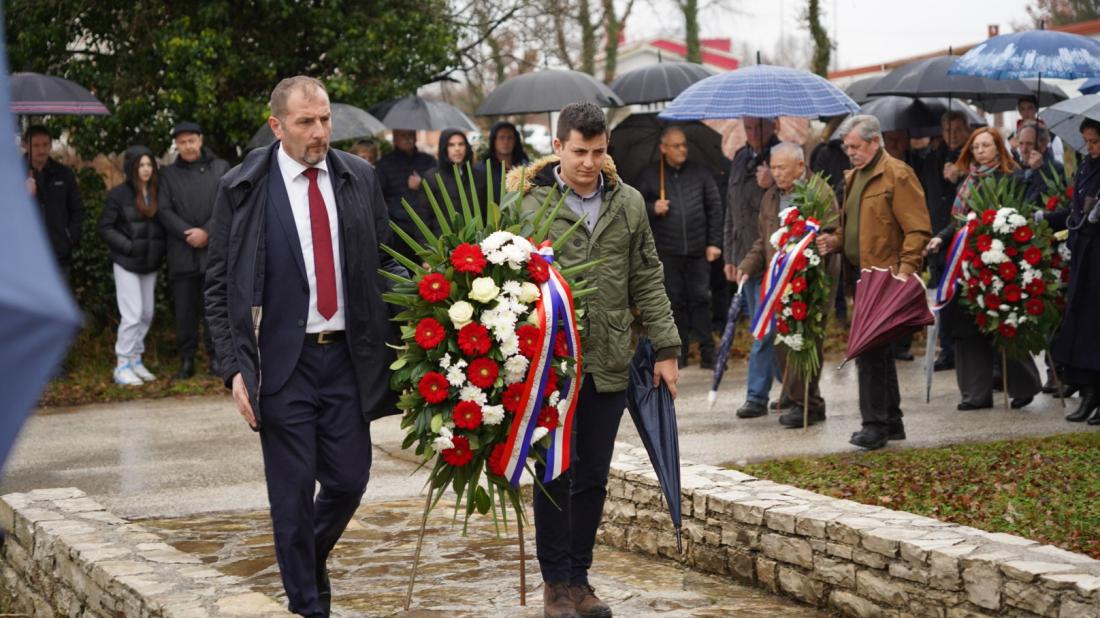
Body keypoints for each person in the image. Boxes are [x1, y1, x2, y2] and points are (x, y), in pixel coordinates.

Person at [205, 76, 406, 618]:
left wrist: (435, 295)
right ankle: (307, 605)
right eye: (305, 122)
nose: (319, 132)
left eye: (324, 120)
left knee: (348, 481)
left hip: (346, 358)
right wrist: (233, 370)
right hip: (279, 365)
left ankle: (302, 563)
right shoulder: (242, 187)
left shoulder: (358, 176)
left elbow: (384, 258)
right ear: (277, 126)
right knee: (291, 497)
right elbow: (218, 284)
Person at [508, 101, 680, 618]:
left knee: (593, 477)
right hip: (550, 366)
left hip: (608, 360)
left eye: (598, 151)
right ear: (557, 147)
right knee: (554, 473)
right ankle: (554, 583)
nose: (588, 162)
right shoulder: (524, 206)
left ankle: (580, 581)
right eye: (579, 151)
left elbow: (646, 276)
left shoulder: (627, 203)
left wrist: (667, 348)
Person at [815, 115, 931, 451]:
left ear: (875, 141)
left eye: (855, 146)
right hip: (863, 278)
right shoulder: (855, 176)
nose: (850, 152)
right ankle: (891, 422)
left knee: (868, 351)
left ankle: (874, 426)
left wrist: (906, 271)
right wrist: (835, 242)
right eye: (846, 147)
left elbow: (917, 229)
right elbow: (853, 227)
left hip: (887, 278)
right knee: (878, 351)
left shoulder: (897, 173)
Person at [925, 127, 1041, 411]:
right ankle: (975, 394)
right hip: (964, 264)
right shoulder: (966, 181)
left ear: (998, 148)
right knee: (967, 328)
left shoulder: (1011, 178)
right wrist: (941, 237)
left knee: (1004, 323)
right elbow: (958, 224)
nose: (979, 151)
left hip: (999, 260)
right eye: (975, 147)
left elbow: (1021, 217)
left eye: (986, 146)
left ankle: (1022, 386)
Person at [736, 143, 840, 426]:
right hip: (780, 286)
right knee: (783, 344)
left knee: (806, 344)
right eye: (774, 167)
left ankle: (809, 405)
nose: (777, 173)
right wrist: (747, 266)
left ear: (800, 167)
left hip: (811, 284)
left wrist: (822, 251)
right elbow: (763, 240)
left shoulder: (819, 192)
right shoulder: (771, 196)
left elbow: (832, 233)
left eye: (783, 168)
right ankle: (799, 401)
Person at [636, 127, 723, 369]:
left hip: (698, 249)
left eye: (684, 144)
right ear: (664, 148)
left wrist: (714, 243)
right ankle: (680, 353)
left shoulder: (700, 173)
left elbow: (715, 208)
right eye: (676, 145)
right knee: (675, 302)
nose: (682, 149)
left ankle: (708, 354)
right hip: (667, 250)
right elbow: (633, 210)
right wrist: (654, 208)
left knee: (701, 300)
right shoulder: (651, 175)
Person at [158, 121, 231, 383]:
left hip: (213, 251)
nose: (187, 146)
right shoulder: (167, 173)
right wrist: (189, 233)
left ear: (200, 140)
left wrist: (207, 232)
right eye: (182, 142)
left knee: (215, 309)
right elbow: (164, 210)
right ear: (176, 145)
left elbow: (228, 204)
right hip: (182, 251)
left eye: (191, 140)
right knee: (185, 312)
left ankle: (217, 358)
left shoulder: (220, 167)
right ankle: (187, 361)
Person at [724, 116, 782, 417]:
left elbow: (786, 204)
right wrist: (730, 257)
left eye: (758, 127)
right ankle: (790, 388)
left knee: (764, 329)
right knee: (764, 328)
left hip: (771, 257)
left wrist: (771, 183)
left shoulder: (783, 155)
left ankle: (757, 396)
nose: (753, 133)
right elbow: (731, 210)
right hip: (745, 258)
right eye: (747, 127)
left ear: (773, 126)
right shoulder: (740, 158)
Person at [1044, 118, 1100, 423]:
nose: (1089, 147)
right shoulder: (1083, 168)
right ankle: (1089, 393)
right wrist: (1044, 218)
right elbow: (1074, 211)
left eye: (1095, 141)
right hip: (1083, 257)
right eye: (1086, 141)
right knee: (1082, 325)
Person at [97, 147, 166, 386]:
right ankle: (122, 364)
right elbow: (105, 227)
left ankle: (136, 359)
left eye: (149, 164)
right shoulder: (118, 195)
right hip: (126, 263)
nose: (146, 169)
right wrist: (128, 246)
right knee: (132, 314)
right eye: (141, 165)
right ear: (132, 168)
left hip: (150, 263)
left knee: (146, 313)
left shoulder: (158, 192)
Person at [917, 111, 972, 372]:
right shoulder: (932, 158)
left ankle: (961, 348)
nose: (953, 135)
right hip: (937, 235)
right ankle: (946, 347)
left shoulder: (972, 158)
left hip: (960, 238)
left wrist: (958, 176)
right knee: (938, 293)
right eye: (948, 130)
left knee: (959, 296)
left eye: (958, 130)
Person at [24, 125, 86, 280]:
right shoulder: (13, 173)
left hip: (58, 255)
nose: (42, 150)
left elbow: (77, 208)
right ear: (25, 145)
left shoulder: (63, 173)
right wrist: (21, 193)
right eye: (36, 145)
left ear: (51, 143)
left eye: (45, 144)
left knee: (56, 304)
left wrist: (69, 237)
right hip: (24, 256)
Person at [374, 128, 437, 265]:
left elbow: (441, 189)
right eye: (402, 135)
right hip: (398, 230)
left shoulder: (429, 161)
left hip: (427, 227)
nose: (407, 137)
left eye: (410, 134)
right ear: (395, 138)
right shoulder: (384, 164)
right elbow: (377, 196)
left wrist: (422, 184)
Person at [417, 128, 487, 230]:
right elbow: (423, 216)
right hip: (442, 242)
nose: (457, 149)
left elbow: (486, 213)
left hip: (474, 241)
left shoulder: (479, 176)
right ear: (444, 148)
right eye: (451, 145)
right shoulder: (432, 178)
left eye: (461, 144)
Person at [477, 121, 530, 203]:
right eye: (501, 138)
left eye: (509, 138)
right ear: (493, 140)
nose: (505, 142)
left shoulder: (526, 168)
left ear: (515, 140)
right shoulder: (481, 170)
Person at [1014, 121, 1063, 207]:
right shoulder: (1018, 169)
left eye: (1029, 144)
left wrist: (1040, 169)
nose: (1023, 150)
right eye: (1021, 144)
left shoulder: (1057, 169)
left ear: (1044, 145)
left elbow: (1054, 200)